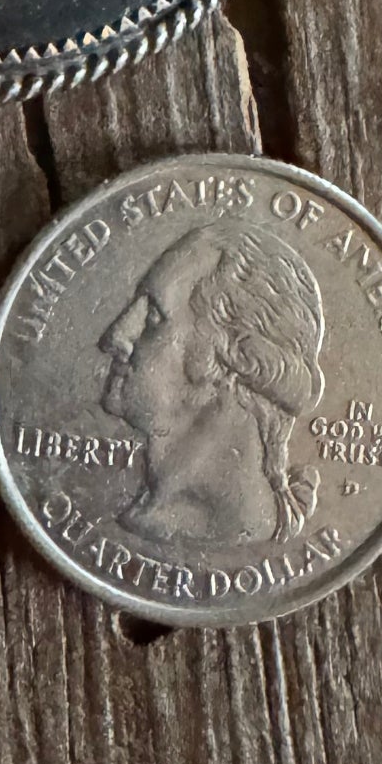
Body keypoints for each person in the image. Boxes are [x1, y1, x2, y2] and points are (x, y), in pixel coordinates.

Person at [99, 219, 325, 544]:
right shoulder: (143, 519)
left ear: (239, 356)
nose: (115, 337)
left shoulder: (240, 530)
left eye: (153, 317)